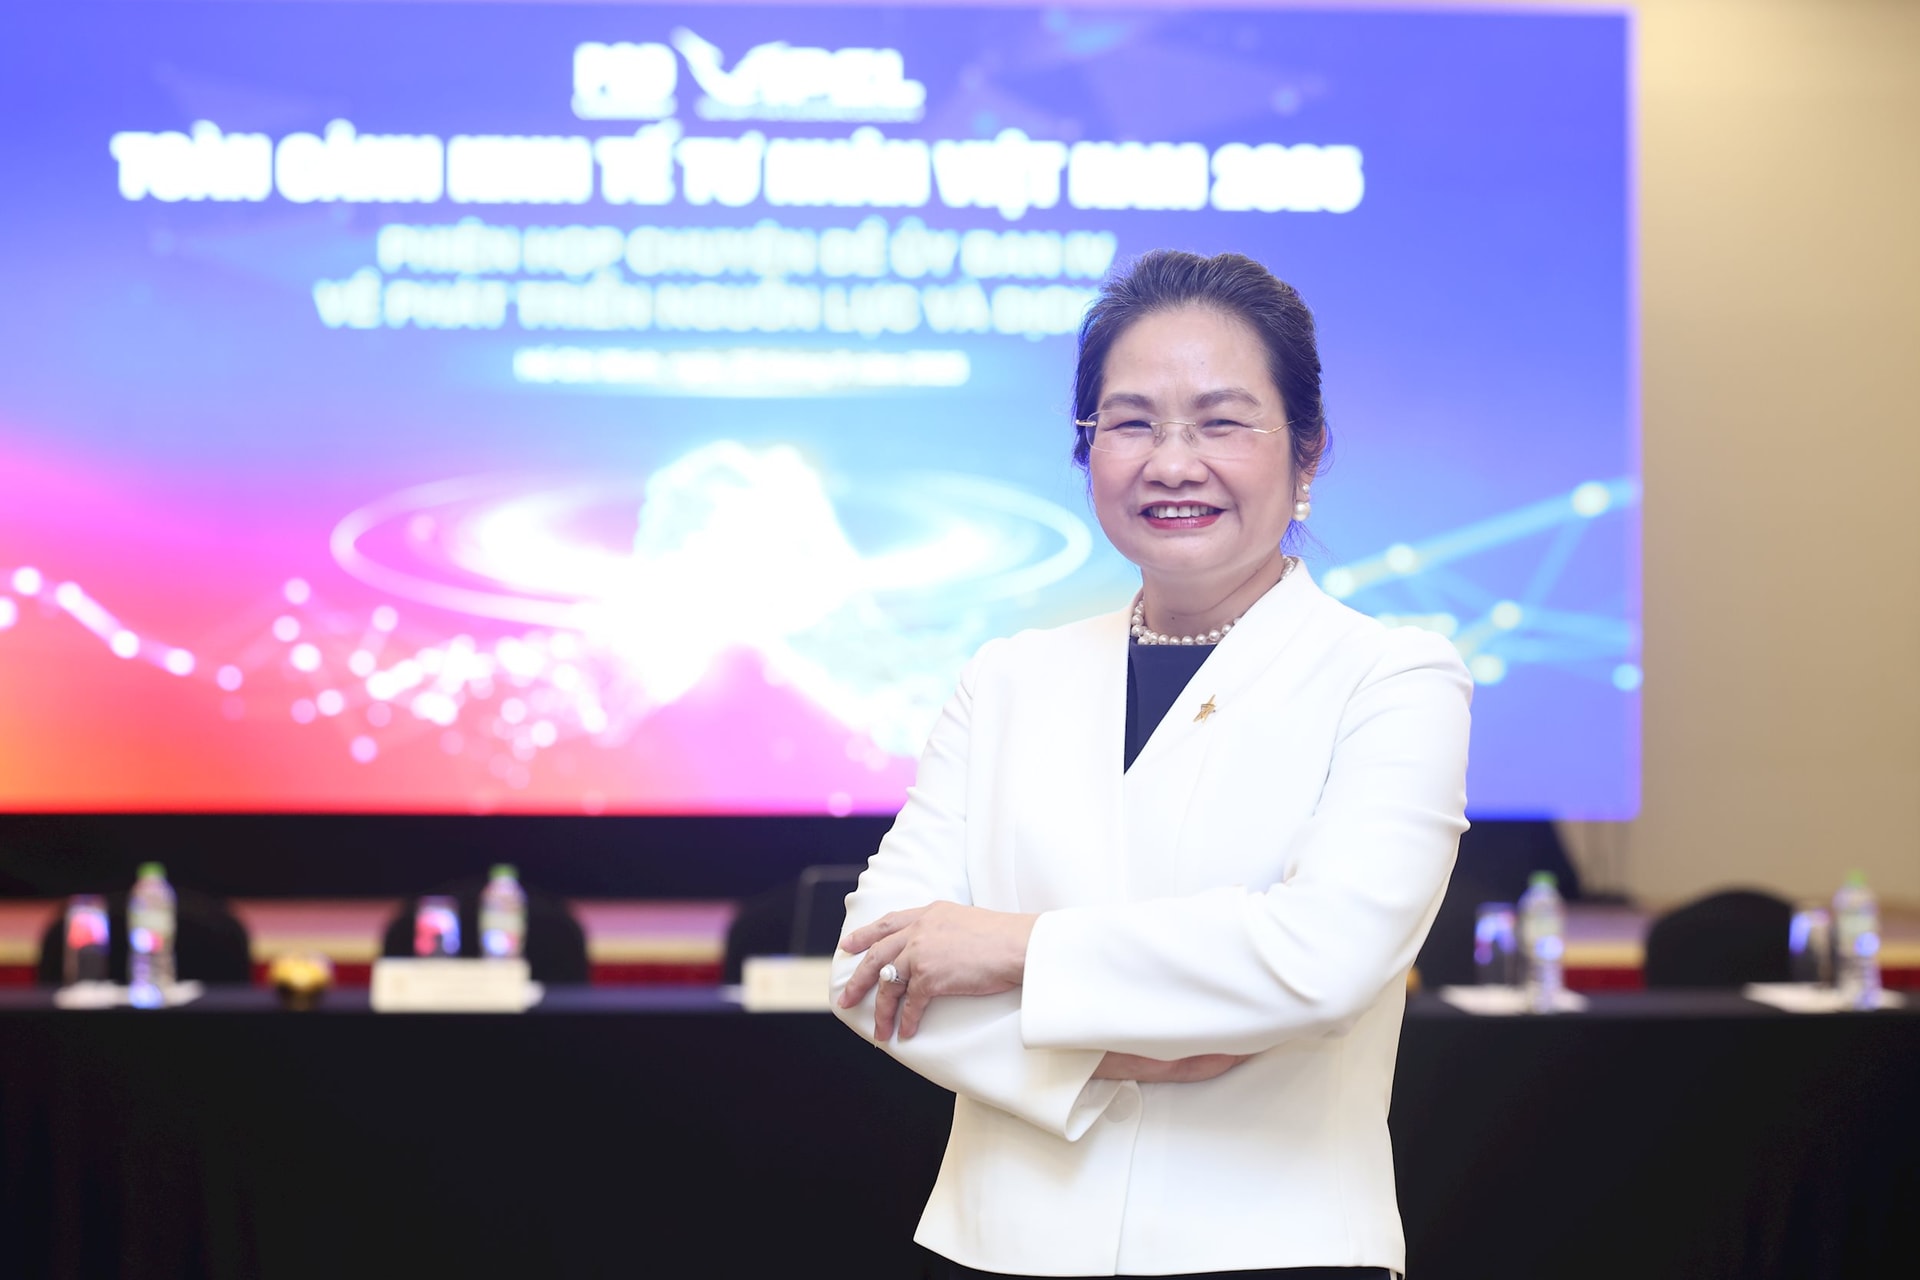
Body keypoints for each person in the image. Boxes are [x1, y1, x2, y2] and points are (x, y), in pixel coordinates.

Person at [832, 249, 1471, 1280]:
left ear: (1307, 451)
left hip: (1278, 1253)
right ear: (1086, 449)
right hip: (1000, 1249)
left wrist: (1011, 947)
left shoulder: (1393, 677)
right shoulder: (1008, 677)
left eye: (1221, 422)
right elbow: (870, 965)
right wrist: (1105, 1056)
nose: (1173, 463)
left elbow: (1320, 959)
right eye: (1130, 423)